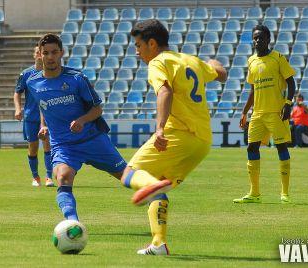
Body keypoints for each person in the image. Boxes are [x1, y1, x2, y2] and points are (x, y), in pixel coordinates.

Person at [121, 19, 227, 255]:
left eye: (138, 46)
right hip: (201, 142)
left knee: (129, 174)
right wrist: (212, 62)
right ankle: (159, 244)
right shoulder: (190, 60)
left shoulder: (158, 62)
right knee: (158, 190)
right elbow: (221, 74)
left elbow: (165, 91)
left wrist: (159, 128)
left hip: (177, 134)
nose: (137, 52)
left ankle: (151, 186)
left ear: (151, 43)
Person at [26, 34, 126, 224]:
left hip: (93, 139)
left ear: (61, 53)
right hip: (64, 145)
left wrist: (81, 120)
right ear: (39, 55)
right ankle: (73, 225)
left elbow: (97, 109)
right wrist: (44, 125)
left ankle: (154, 195)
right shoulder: (33, 83)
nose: (50, 57)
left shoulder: (77, 78)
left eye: (54, 52)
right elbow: (43, 105)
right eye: (45, 53)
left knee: (127, 178)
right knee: (62, 177)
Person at [234, 24, 296, 204]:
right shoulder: (251, 61)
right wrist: (244, 112)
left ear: (268, 39)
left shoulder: (278, 58)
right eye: (255, 38)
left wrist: (288, 104)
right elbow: (253, 90)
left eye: (261, 37)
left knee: (281, 148)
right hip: (258, 114)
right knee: (251, 148)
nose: (257, 41)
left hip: (276, 113)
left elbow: (291, 83)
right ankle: (254, 193)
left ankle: (284, 193)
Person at [14, 45, 54, 187]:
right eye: (37, 52)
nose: (39, 54)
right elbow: (17, 92)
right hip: (31, 116)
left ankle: (49, 177)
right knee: (33, 147)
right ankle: (35, 177)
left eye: (40, 52)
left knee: (48, 145)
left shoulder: (50, 73)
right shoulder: (26, 74)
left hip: (48, 116)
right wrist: (18, 109)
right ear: (34, 55)